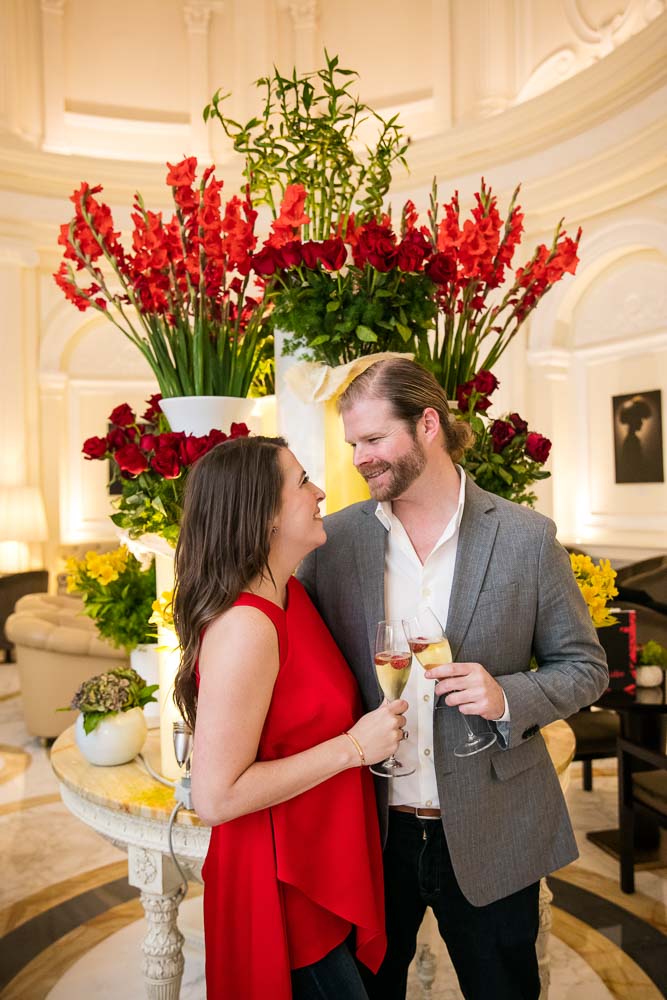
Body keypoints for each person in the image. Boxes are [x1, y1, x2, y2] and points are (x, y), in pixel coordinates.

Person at [297, 358, 609, 1000]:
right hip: (371, 835)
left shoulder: (526, 537)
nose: (360, 458)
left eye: (375, 439)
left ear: (429, 424)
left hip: (497, 828)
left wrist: (506, 696)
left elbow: (586, 667)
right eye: (353, 443)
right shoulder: (335, 542)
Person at [172, 435, 408, 1000]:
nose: (320, 491)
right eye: (302, 482)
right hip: (277, 883)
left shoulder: (292, 595)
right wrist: (355, 748)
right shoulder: (246, 628)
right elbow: (216, 797)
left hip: (313, 861)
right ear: (265, 515)